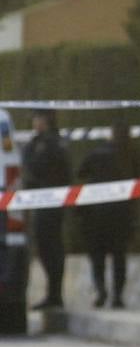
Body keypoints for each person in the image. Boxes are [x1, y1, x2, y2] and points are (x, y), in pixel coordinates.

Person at [76, 117, 140, 308]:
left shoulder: (98, 153)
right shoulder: (134, 155)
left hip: (96, 213)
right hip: (123, 214)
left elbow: (81, 172)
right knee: (119, 256)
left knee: (97, 255)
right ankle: (117, 296)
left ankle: (101, 292)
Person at [21, 109, 70, 309]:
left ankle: (55, 295)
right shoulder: (44, 142)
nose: (35, 123)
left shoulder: (50, 143)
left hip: (50, 202)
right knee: (47, 248)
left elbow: (36, 168)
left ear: (45, 120)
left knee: (51, 248)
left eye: (37, 119)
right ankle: (53, 295)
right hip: (44, 201)